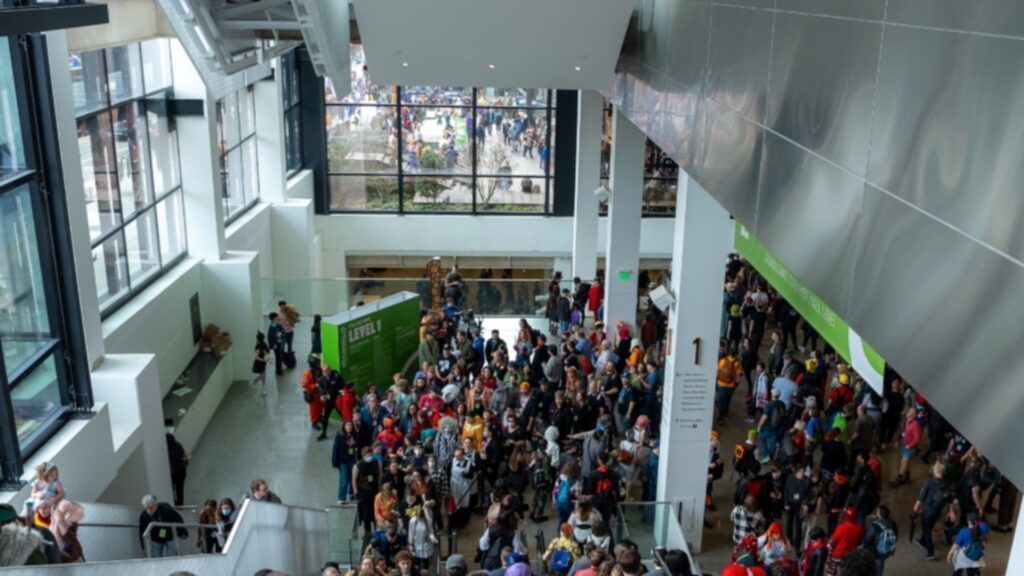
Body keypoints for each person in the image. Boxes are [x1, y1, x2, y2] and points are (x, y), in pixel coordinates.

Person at [913, 461, 954, 561]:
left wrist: (916, 507)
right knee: (928, 526)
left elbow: (922, 496)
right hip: (937, 510)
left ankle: (930, 552)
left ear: (934, 470)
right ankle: (922, 542)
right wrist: (951, 511)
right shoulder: (947, 482)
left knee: (927, 530)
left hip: (928, 510)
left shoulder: (929, 481)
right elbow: (950, 499)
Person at [861, 505, 897, 576]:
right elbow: (895, 537)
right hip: (884, 552)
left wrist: (864, 548)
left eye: (877, 511)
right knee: (879, 568)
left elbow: (868, 539)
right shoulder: (893, 524)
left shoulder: (874, 525)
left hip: (874, 551)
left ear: (879, 514)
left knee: (868, 567)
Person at [826, 507, 863, 575]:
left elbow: (833, 539)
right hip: (850, 554)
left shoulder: (841, 527)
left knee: (831, 570)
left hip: (837, 554)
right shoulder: (859, 528)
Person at [354, 446, 381, 536]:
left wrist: (380, 487)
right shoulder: (358, 465)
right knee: (366, 511)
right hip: (363, 491)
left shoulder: (375, 462)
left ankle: (376, 527)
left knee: (376, 509)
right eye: (367, 455)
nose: (369, 456)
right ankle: (367, 529)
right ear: (363, 456)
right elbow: (354, 479)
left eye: (370, 454)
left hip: (374, 490)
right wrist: (356, 491)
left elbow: (379, 475)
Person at [332, 420, 359, 504]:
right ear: (344, 426)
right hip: (343, 461)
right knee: (343, 480)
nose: (349, 427)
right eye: (347, 425)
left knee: (352, 478)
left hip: (352, 460)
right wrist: (335, 462)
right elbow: (335, 449)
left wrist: (354, 444)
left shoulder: (355, 436)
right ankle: (341, 498)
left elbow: (357, 448)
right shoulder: (339, 436)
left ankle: (350, 493)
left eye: (350, 425)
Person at [316, 364, 344, 440]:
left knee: (344, 416)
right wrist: (321, 396)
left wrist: (341, 396)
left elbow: (343, 386)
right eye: (323, 371)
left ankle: (348, 431)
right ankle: (324, 433)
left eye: (326, 371)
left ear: (330, 370)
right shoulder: (321, 380)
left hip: (337, 400)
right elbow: (320, 390)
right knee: (325, 417)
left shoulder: (336, 376)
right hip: (328, 401)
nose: (324, 372)